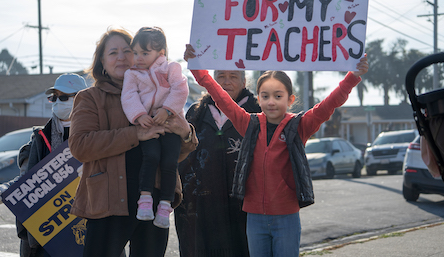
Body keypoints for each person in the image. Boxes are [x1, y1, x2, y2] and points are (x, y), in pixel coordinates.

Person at [189, 55, 369, 257]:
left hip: (286, 218)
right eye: (265, 96)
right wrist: (197, 68)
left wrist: (353, 76)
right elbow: (220, 97)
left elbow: (327, 106)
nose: (271, 102)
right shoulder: (249, 124)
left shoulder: (299, 126)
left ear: (290, 99)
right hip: (254, 218)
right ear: (258, 99)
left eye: (278, 96)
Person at [68, 27, 198, 257]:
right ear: (101, 62)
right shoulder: (90, 98)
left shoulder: (160, 89)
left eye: (127, 51)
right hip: (108, 202)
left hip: (154, 198)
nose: (121, 57)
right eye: (112, 52)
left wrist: (186, 133)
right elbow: (80, 146)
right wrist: (134, 134)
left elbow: (179, 151)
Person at [0, 73, 88, 257]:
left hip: (87, 228)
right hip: (49, 234)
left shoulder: (96, 133)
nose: (58, 102)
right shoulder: (40, 138)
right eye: (54, 98)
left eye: (64, 97)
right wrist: (7, 189)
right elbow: (28, 179)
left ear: (81, 98)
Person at [175, 44, 260, 256]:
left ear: (244, 81)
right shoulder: (196, 112)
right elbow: (181, 155)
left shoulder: (258, 112)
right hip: (201, 207)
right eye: (221, 75)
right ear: (211, 79)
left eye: (233, 75)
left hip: (245, 206)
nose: (226, 81)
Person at [121, 27, 189, 229]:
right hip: (148, 125)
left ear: (160, 53)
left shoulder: (172, 68)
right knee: (150, 157)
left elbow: (180, 89)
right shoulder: (132, 74)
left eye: (145, 52)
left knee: (169, 163)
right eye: (135, 53)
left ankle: (165, 206)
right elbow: (129, 96)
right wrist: (139, 115)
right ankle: (144, 199)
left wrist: (167, 110)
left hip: (170, 124)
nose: (138, 58)